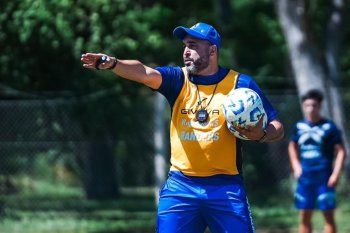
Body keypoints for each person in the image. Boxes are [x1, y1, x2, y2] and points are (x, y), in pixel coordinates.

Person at [81, 22, 284, 233]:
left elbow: (277, 126)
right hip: (181, 186)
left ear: (212, 50)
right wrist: (113, 63)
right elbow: (144, 72)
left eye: (193, 45)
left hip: (225, 188)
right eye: (185, 45)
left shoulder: (241, 85)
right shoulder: (178, 80)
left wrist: (262, 134)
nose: (186, 51)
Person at [288, 89, 346, 233]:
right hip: (305, 178)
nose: (310, 109)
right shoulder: (299, 127)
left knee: (328, 215)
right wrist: (296, 166)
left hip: (324, 178)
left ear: (320, 106)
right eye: (307, 105)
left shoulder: (330, 127)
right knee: (304, 215)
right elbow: (292, 146)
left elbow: (341, 151)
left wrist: (336, 174)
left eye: (314, 105)